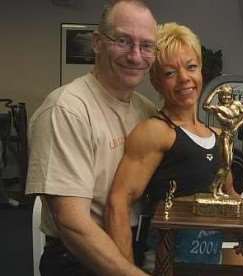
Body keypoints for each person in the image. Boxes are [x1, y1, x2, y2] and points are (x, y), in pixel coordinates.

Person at [25, 1, 158, 275]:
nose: (136, 56)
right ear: (97, 42)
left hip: (137, 245)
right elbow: (72, 223)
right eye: (123, 41)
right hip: (81, 258)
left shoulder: (147, 110)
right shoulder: (66, 110)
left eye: (146, 46)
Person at [104, 22, 243, 272]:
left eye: (191, 67)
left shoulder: (219, 135)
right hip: (166, 263)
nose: (184, 79)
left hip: (207, 261)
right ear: (156, 82)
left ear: (201, 72)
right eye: (170, 73)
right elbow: (118, 201)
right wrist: (126, 270)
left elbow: (229, 194)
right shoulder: (156, 131)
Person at [203, 84, 243, 199]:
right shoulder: (218, 108)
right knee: (225, 164)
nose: (226, 98)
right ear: (220, 96)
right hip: (224, 136)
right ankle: (214, 187)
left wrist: (238, 125)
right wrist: (214, 92)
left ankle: (219, 188)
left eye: (228, 95)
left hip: (231, 137)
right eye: (223, 95)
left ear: (231, 95)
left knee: (228, 166)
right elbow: (205, 106)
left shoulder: (237, 105)